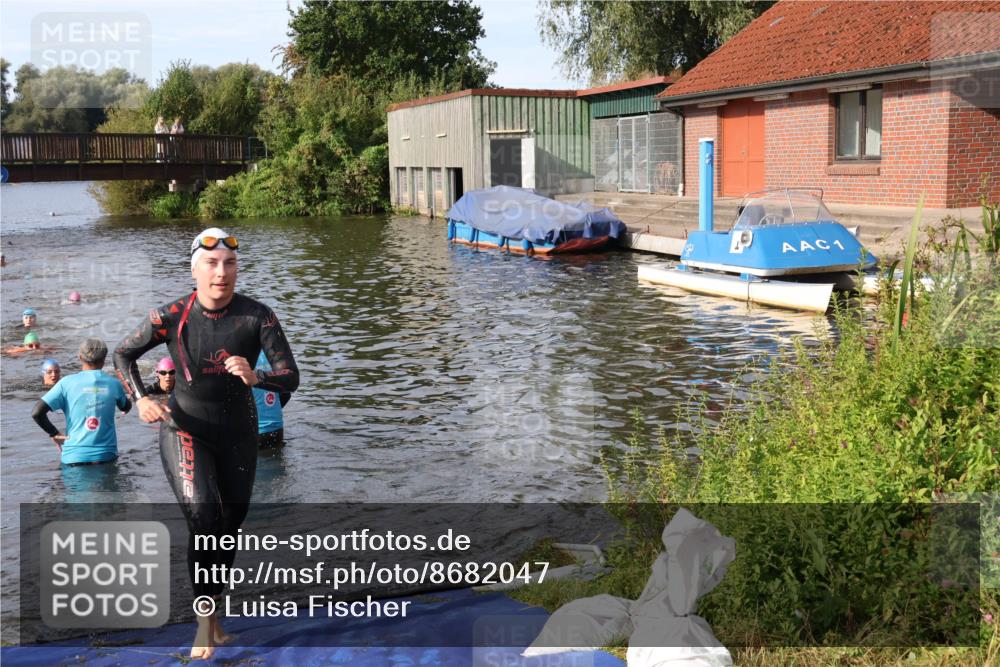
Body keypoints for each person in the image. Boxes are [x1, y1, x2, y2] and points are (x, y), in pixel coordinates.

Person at [113, 227, 299, 659]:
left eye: (230, 264)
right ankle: (202, 625)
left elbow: (291, 376)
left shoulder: (258, 317)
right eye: (212, 264)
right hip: (185, 429)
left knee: (228, 528)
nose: (222, 273)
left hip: (238, 432)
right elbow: (123, 354)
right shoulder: (172, 314)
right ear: (195, 268)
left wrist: (257, 377)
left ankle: (214, 618)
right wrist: (141, 400)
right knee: (203, 516)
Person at [32, 339, 131, 465]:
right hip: (106, 457)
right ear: (104, 359)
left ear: (80, 357)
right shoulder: (113, 383)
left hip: (73, 458)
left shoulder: (65, 383)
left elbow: (37, 412)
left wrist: (54, 433)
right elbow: (125, 407)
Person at [253, 350, 290, 447]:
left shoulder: (237, 356)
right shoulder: (271, 354)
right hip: (277, 431)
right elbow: (286, 394)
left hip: (252, 435)